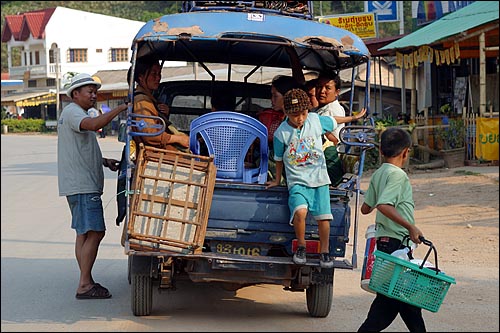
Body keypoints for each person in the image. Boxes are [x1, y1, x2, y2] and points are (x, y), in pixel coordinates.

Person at [266, 88, 365, 268]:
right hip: (297, 182)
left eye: (303, 113)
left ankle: (324, 251)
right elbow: (278, 160)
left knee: (324, 218)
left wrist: (352, 118)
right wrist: (277, 180)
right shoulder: (281, 133)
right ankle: (301, 246)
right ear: (287, 113)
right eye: (295, 115)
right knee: (300, 212)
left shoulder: (315, 120)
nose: (300, 118)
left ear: (308, 111)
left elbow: (334, 120)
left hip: (320, 181)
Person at [57, 73, 129, 299]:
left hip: (79, 184)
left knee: (84, 234)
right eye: (89, 91)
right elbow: (94, 124)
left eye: (94, 91)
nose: (93, 95)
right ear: (75, 94)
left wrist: (103, 161)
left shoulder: (73, 113)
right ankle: (85, 284)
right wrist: (121, 109)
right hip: (82, 185)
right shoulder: (73, 113)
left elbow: (80, 149)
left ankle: (85, 280)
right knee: (96, 232)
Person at [358, 127, 425, 332]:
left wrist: (376, 195)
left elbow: (365, 208)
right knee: (392, 302)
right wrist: (410, 226)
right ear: (406, 152)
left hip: (386, 242)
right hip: (397, 243)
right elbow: (383, 205)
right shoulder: (398, 175)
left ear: (380, 150)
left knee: (403, 301)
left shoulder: (380, 173)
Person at [128, 58, 190, 155]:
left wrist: (162, 115)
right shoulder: (142, 102)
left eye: (159, 74)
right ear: (141, 77)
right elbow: (149, 134)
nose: (158, 78)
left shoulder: (150, 100)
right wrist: (178, 139)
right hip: (156, 156)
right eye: (154, 74)